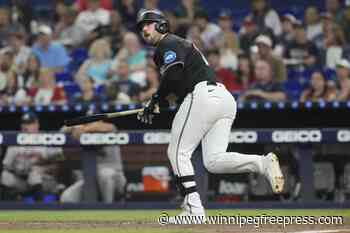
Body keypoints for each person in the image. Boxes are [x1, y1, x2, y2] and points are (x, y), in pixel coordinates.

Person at [136, 10, 284, 220]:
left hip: (202, 96)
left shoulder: (167, 43)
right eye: (141, 27)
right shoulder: (178, 45)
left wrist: (155, 100)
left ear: (161, 25)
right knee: (213, 161)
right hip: (222, 98)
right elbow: (177, 84)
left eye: (148, 24)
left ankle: (193, 210)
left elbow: (173, 75)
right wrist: (157, 103)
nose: (144, 29)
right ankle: (263, 163)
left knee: (177, 152)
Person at [60, 120, 126, 203]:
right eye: (88, 121)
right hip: (91, 180)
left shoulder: (109, 130)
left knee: (105, 175)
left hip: (115, 178)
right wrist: (75, 127)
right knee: (67, 198)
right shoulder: (85, 134)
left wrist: (85, 128)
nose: (92, 123)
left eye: (94, 120)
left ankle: (108, 208)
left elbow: (109, 127)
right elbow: (63, 129)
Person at [0, 112, 63, 201]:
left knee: (34, 175)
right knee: (4, 176)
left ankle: (39, 208)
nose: (26, 127)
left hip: (44, 180)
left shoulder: (47, 138)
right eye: (24, 123)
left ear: (37, 124)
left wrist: (44, 168)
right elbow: (6, 166)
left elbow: (60, 162)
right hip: (22, 180)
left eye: (29, 123)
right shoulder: (14, 142)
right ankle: (7, 207)